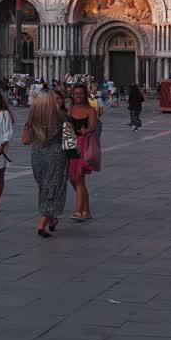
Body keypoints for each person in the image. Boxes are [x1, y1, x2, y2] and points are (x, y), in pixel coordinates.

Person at [23, 90, 69, 237]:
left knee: (44, 187)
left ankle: (51, 219)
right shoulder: (61, 116)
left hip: (37, 154)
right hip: (56, 155)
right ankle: (42, 224)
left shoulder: (32, 117)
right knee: (53, 187)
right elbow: (68, 138)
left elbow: (26, 140)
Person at [66, 84, 99, 220]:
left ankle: (80, 211)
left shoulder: (90, 110)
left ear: (85, 95)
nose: (78, 96)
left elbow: (93, 126)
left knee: (79, 177)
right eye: (76, 93)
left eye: (81, 93)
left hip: (83, 145)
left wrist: (87, 130)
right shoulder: (70, 110)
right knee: (72, 179)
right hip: (70, 145)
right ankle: (87, 209)